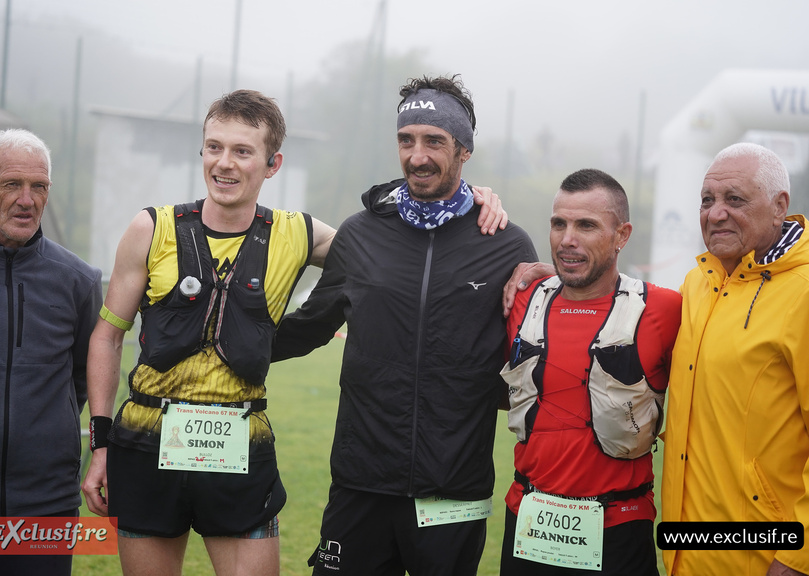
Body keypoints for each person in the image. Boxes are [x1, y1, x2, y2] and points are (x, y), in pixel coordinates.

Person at [80, 88, 507, 576]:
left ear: (272, 164)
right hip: (146, 440)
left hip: (240, 446)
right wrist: (100, 442)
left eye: (243, 151)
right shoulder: (151, 227)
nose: (224, 163)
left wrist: (466, 197)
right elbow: (107, 337)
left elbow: (387, 239)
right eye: (214, 147)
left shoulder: (298, 233)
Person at [271, 74, 539, 576]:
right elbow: (309, 326)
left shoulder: (506, 244)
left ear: (464, 149)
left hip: (454, 489)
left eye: (434, 141)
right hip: (360, 483)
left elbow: (530, 357)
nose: (417, 156)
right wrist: (220, 342)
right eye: (406, 140)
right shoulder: (360, 234)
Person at [499, 168, 681, 575]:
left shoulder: (665, 310)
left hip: (619, 530)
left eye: (586, 225)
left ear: (621, 235)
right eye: (558, 224)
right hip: (528, 523)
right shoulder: (523, 299)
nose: (567, 239)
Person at [0, 129, 103, 575]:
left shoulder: (79, 281)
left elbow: (82, 377)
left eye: (40, 186)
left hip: (44, 504)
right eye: (12, 184)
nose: (27, 200)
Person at [660, 143, 809, 576]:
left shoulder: (803, 292)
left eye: (735, 199)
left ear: (779, 206)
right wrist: (560, 281)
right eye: (707, 200)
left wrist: (798, 557)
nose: (716, 213)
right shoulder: (697, 283)